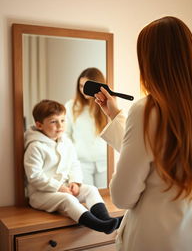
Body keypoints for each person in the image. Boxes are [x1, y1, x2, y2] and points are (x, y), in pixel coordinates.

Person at [94, 16, 192, 250]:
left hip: (157, 234)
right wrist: (116, 117)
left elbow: (123, 196)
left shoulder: (147, 110)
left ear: (150, 62)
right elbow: (162, 155)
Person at [24, 99, 120, 234]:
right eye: (53, 121)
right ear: (39, 125)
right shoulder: (35, 146)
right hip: (41, 194)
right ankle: (100, 225)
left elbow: (74, 164)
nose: (60, 125)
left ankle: (106, 219)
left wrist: (75, 181)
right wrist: (58, 187)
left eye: (63, 120)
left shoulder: (66, 142)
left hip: (64, 187)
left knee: (91, 189)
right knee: (67, 199)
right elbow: (34, 176)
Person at [65, 68, 108, 188]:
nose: (83, 90)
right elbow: (65, 135)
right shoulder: (70, 106)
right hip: (81, 163)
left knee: (106, 199)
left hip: (104, 162)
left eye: (86, 86)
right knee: (86, 199)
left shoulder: (106, 106)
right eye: (80, 86)